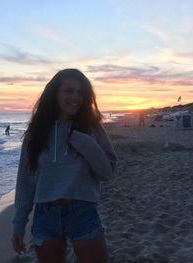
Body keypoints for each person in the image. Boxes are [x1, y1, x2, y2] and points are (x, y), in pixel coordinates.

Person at [11, 69, 117, 263]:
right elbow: (25, 182)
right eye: (68, 91)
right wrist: (19, 225)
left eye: (80, 92)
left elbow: (106, 173)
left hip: (83, 211)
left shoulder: (92, 128)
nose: (75, 97)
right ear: (55, 94)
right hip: (45, 214)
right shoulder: (37, 133)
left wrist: (86, 143)